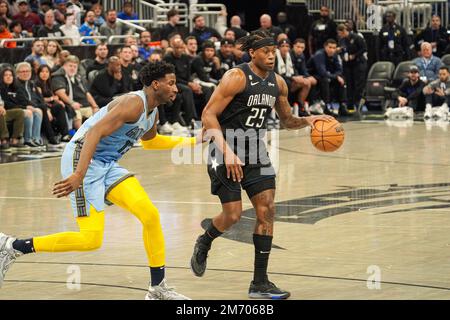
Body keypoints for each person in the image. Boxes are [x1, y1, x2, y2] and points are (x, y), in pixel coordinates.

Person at [0, 61, 200, 300]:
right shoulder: (133, 104)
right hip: (82, 160)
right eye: (171, 83)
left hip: (106, 164)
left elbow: (151, 142)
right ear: (156, 84)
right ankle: (13, 246)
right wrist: (78, 175)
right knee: (90, 239)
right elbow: (93, 133)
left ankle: (157, 289)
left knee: (150, 215)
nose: (175, 88)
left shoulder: (152, 111)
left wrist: (194, 141)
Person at [189, 30, 333, 299]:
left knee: (266, 211)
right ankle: (205, 241)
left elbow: (288, 120)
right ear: (252, 53)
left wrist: (310, 120)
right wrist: (228, 153)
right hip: (225, 149)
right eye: (266, 51)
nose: (271, 55)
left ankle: (259, 283)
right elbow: (208, 114)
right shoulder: (236, 77)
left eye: (273, 51)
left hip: (256, 151)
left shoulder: (278, 83)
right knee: (232, 216)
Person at [307, 39, 348, 116]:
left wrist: (336, 76)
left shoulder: (335, 55)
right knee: (325, 80)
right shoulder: (319, 55)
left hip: (327, 75)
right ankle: (326, 106)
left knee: (342, 80)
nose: (332, 50)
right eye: (330, 47)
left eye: (334, 48)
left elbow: (339, 70)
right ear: (325, 47)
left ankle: (342, 105)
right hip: (313, 75)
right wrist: (335, 76)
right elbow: (322, 72)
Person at [35, 64, 70, 141]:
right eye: (42, 72)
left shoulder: (48, 83)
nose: (44, 74)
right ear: (38, 73)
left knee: (60, 106)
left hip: (49, 105)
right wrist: (51, 99)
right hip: (40, 106)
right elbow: (40, 99)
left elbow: (53, 97)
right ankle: (51, 137)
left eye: (47, 72)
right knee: (48, 110)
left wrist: (58, 101)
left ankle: (65, 134)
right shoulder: (37, 84)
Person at [337, 24, 367, 111]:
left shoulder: (357, 37)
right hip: (347, 64)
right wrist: (341, 54)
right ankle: (350, 105)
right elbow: (342, 49)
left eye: (340, 33)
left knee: (358, 84)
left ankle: (358, 102)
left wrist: (354, 56)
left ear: (344, 31)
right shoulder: (342, 40)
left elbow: (364, 48)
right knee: (349, 84)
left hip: (358, 63)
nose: (339, 35)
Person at [0, 86, 25, 151]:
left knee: (19, 112)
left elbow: (1, 102)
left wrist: (1, 106)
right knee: (1, 113)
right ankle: (4, 140)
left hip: (2, 111)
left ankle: (15, 139)